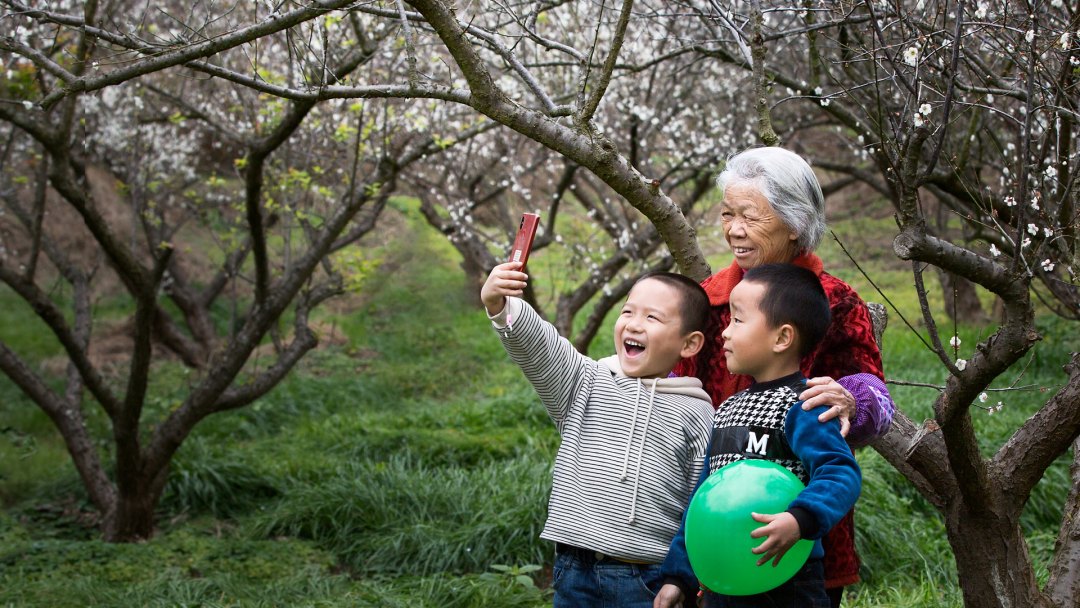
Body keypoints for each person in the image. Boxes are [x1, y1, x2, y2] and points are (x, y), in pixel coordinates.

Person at [656, 147, 895, 608]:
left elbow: (873, 396)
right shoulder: (707, 301)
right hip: (716, 537)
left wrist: (850, 401)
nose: (733, 229)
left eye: (750, 216)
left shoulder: (832, 301)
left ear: (794, 222)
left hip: (800, 547)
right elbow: (673, 392)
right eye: (727, 214)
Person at [481, 263, 715, 608]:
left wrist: (682, 578)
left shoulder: (697, 413)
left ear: (689, 344)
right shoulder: (586, 383)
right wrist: (500, 306)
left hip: (646, 578)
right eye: (628, 312)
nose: (634, 324)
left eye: (653, 318)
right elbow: (542, 347)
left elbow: (701, 504)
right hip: (574, 570)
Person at [661, 263, 862, 608]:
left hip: (785, 582)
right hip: (723, 577)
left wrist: (800, 519)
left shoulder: (804, 406)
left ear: (782, 338)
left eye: (738, 321)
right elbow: (704, 497)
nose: (724, 332)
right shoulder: (726, 410)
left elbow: (840, 472)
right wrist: (678, 575)